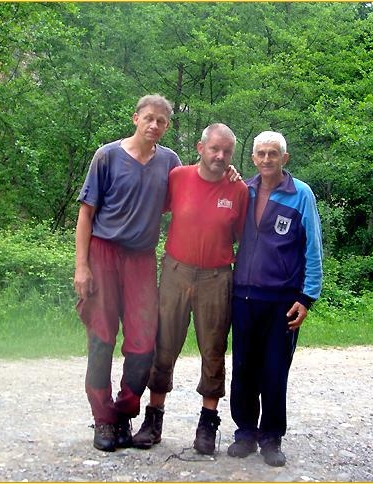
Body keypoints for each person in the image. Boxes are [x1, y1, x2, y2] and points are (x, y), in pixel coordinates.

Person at [132, 123, 249, 455]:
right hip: (176, 270)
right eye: (214, 149)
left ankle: (207, 424)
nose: (221, 156)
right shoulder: (178, 177)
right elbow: (151, 207)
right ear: (200, 148)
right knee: (164, 343)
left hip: (216, 277)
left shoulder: (238, 190)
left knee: (213, 348)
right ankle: (153, 420)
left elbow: (244, 237)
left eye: (227, 151)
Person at [73, 94, 181, 452]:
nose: (154, 126)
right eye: (148, 118)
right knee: (101, 337)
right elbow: (86, 213)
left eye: (161, 121)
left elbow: (194, 188)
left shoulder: (169, 162)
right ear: (136, 118)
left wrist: (228, 173)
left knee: (142, 340)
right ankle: (103, 419)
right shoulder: (107, 155)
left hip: (141, 257)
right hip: (103, 253)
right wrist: (82, 266)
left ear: (166, 126)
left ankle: (124, 410)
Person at [227, 130, 323, 467]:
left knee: (274, 370)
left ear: (285, 158)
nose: (267, 159)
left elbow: (313, 248)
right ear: (253, 158)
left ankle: (271, 437)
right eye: (261, 153)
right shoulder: (246, 191)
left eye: (273, 153)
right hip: (243, 296)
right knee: (243, 368)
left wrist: (307, 297)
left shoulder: (301, 194)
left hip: (282, 300)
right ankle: (245, 433)